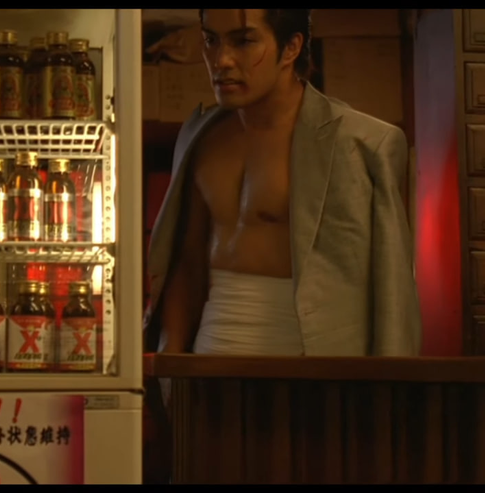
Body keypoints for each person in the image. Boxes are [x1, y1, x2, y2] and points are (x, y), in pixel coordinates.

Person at [140, 9, 422, 483]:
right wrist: (172, 367)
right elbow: (186, 262)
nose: (221, 60)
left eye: (243, 41)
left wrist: (388, 406)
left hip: (313, 372)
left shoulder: (364, 142)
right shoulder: (199, 133)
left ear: (291, 48)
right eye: (211, 41)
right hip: (210, 364)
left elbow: (393, 293)